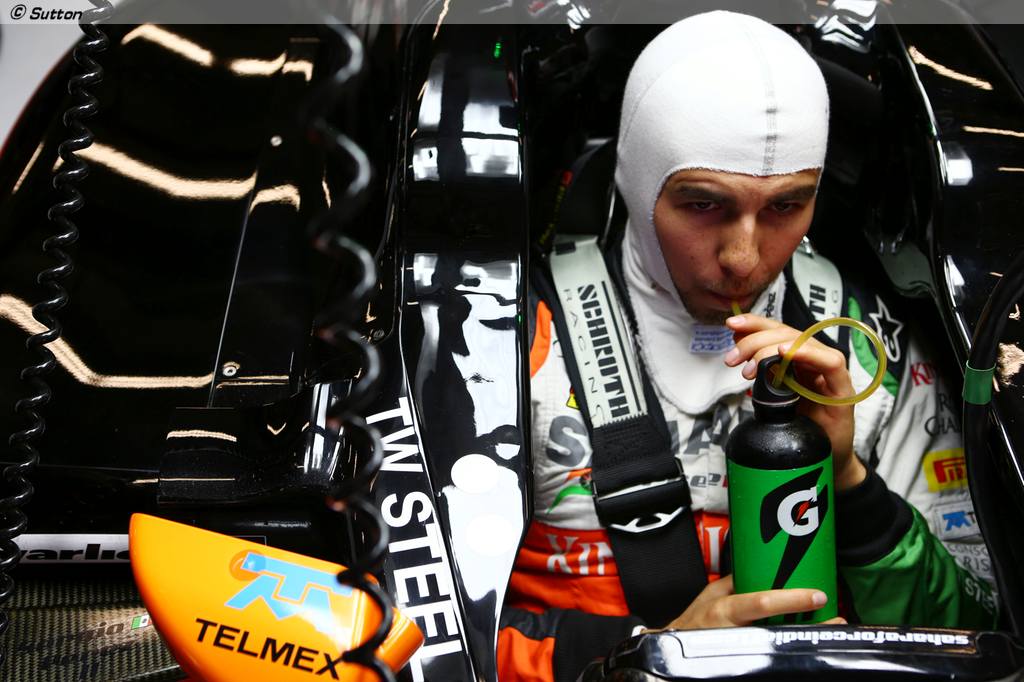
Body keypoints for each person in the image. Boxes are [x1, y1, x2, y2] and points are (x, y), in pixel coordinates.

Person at [496, 10, 998, 682]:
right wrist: (648, 651)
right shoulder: (507, 343)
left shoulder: (872, 343)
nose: (743, 257)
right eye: (704, 205)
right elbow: (421, 632)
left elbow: (975, 631)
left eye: (786, 206)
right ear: (639, 184)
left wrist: (848, 481)